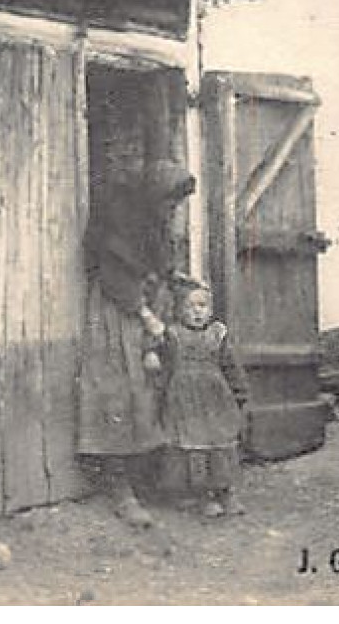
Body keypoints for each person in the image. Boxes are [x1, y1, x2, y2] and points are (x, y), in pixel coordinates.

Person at [77, 160, 196, 527]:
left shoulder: (153, 225)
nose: (172, 211)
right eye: (168, 204)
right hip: (118, 315)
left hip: (145, 311)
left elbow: (152, 262)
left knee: (150, 392)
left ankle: (150, 480)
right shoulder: (120, 227)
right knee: (118, 393)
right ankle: (119, 489)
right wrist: (147, 317)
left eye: (176, 205)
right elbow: (116, 278)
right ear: (150, 198)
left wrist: (173, 276)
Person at [156, 282, 249, 518]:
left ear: (210, 309)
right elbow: (164, 370)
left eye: (203, 306)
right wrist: (161, 396)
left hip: (215, 401)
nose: (197, 311)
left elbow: (230, 366)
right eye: (190, 306)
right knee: (191, 447)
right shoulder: (173, 336)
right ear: (179, 310)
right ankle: (198, 494)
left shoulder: (217, 335)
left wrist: (239, 391)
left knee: (219, 444)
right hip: (184, 403)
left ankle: (224, 491)